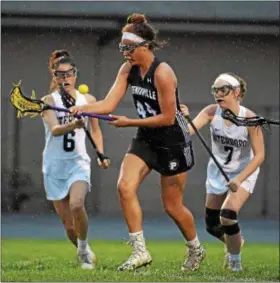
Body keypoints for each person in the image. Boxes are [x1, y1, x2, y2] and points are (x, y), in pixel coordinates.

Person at [70, 13, 205, 271]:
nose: (125, 53)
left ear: (144, 46)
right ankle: (140, 251)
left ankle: (195, 249)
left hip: (173, 141)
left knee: (172, 206)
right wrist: (82, 109)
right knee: (124, 187)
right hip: (146, 138)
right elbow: (108, 104)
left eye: (128, 48)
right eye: (122, 48)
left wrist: (129, 122)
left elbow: (167, 118)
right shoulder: (128, 69)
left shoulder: (163, 73)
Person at [180, 72, 265, 271]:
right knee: (212, 225)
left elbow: (260, 155)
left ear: (236, 92)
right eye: (215, 90)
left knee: (227, 215)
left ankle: (235, 263)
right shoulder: (211, 112)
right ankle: (235, 241)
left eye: (223, 90)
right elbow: (187, 132)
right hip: (218, 170)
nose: (218, 94)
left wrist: (240, 179)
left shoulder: (250, 118)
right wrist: (182, 118)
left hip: (244, 172)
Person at [41, 49, 110, 269]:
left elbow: (96, 131)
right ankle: (83, 248)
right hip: (54, 167)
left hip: (78, 163)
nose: (65, 78)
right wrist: (73, 124)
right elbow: (55, 129)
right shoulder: (48, 101)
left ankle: (82, 252)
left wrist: (101, 153)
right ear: (55, 77)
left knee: (77, 203)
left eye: (69, 74)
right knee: (69, 226)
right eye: (60, 75)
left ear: (75, 75)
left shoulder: (87, 100)